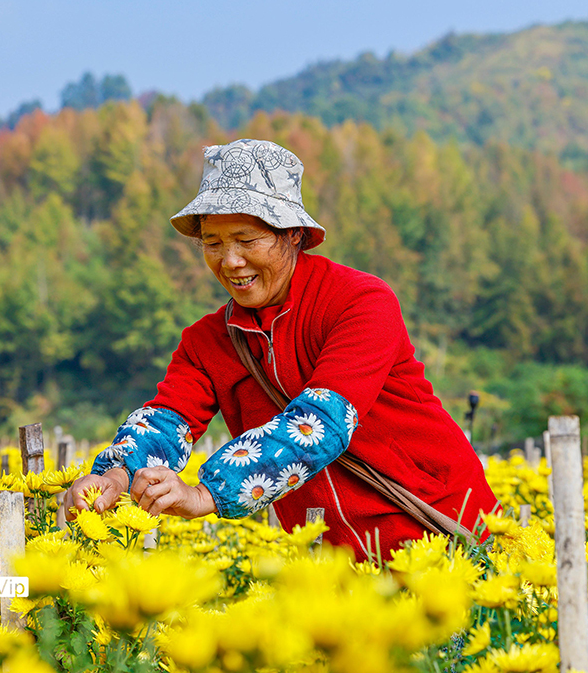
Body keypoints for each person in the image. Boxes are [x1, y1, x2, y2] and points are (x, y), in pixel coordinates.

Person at [69, 138, 498, 561]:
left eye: (246, 239)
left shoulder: (360, 301)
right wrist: (116, 476)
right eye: (213, 243)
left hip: (443, 538)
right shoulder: (207, 341)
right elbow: (168, 419)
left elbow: (320, 422)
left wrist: (206, 494)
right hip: (333, 569)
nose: (230, 261)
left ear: (292, 234)